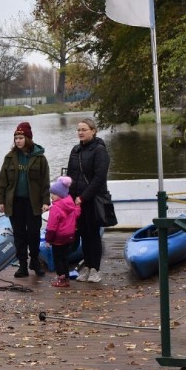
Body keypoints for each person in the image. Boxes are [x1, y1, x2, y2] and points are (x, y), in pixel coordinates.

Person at [0, 121, 50, 278]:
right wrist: (1, 201)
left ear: (28, 138)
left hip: (33, 203)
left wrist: (46, 201)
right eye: (16, 138)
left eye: (20, 137)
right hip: (15, 203)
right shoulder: (10, 158)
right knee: (19, 235)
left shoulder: (40, 158)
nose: (18, 140)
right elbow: (2, 181)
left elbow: (44, 182)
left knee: (33, 233)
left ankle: (35, 260)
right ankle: (23, 265)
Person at [65, 118, 110, 283]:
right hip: (76, 201)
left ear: (93, 131)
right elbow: (70, 176)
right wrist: (69, 197)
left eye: (84, 129)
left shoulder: (99, 150)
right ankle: (87, 266)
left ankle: (95, 269)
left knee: (93, 234)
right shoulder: (75, 150)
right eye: (78, 130)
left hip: (93, 200)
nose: (81, 132)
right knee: (83, 233)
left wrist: (83, 196)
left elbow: (99, 178)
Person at [45, 176, 80, 288]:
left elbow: (51, 227)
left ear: (60, 195)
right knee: (65, 258)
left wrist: (48, 240)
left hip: (58, 238)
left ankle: (61, 279)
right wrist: (78, 205)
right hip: (69, 236)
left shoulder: (55, 208)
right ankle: (67, 278)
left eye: (54, 194)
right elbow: (77, 213)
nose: (51, 196)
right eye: (51, 194)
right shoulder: (70, 203)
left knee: (58, 259)